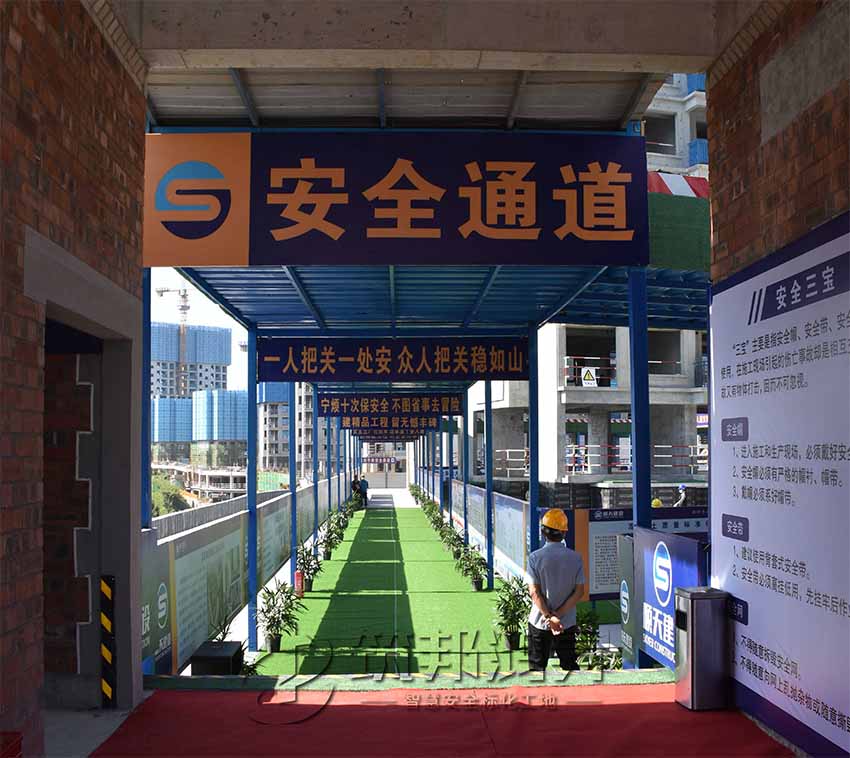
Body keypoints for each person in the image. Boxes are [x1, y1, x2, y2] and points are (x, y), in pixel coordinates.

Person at [524, 508, 585, 672]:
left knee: (537, 670)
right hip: (566, 622)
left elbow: (534, 592)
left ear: (543, 532)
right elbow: (579, 592)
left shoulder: (534, 558)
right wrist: (557, 616)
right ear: (564, 533)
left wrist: (549, 617)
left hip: (539, 621)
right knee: (570, 668)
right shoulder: (576, 558)